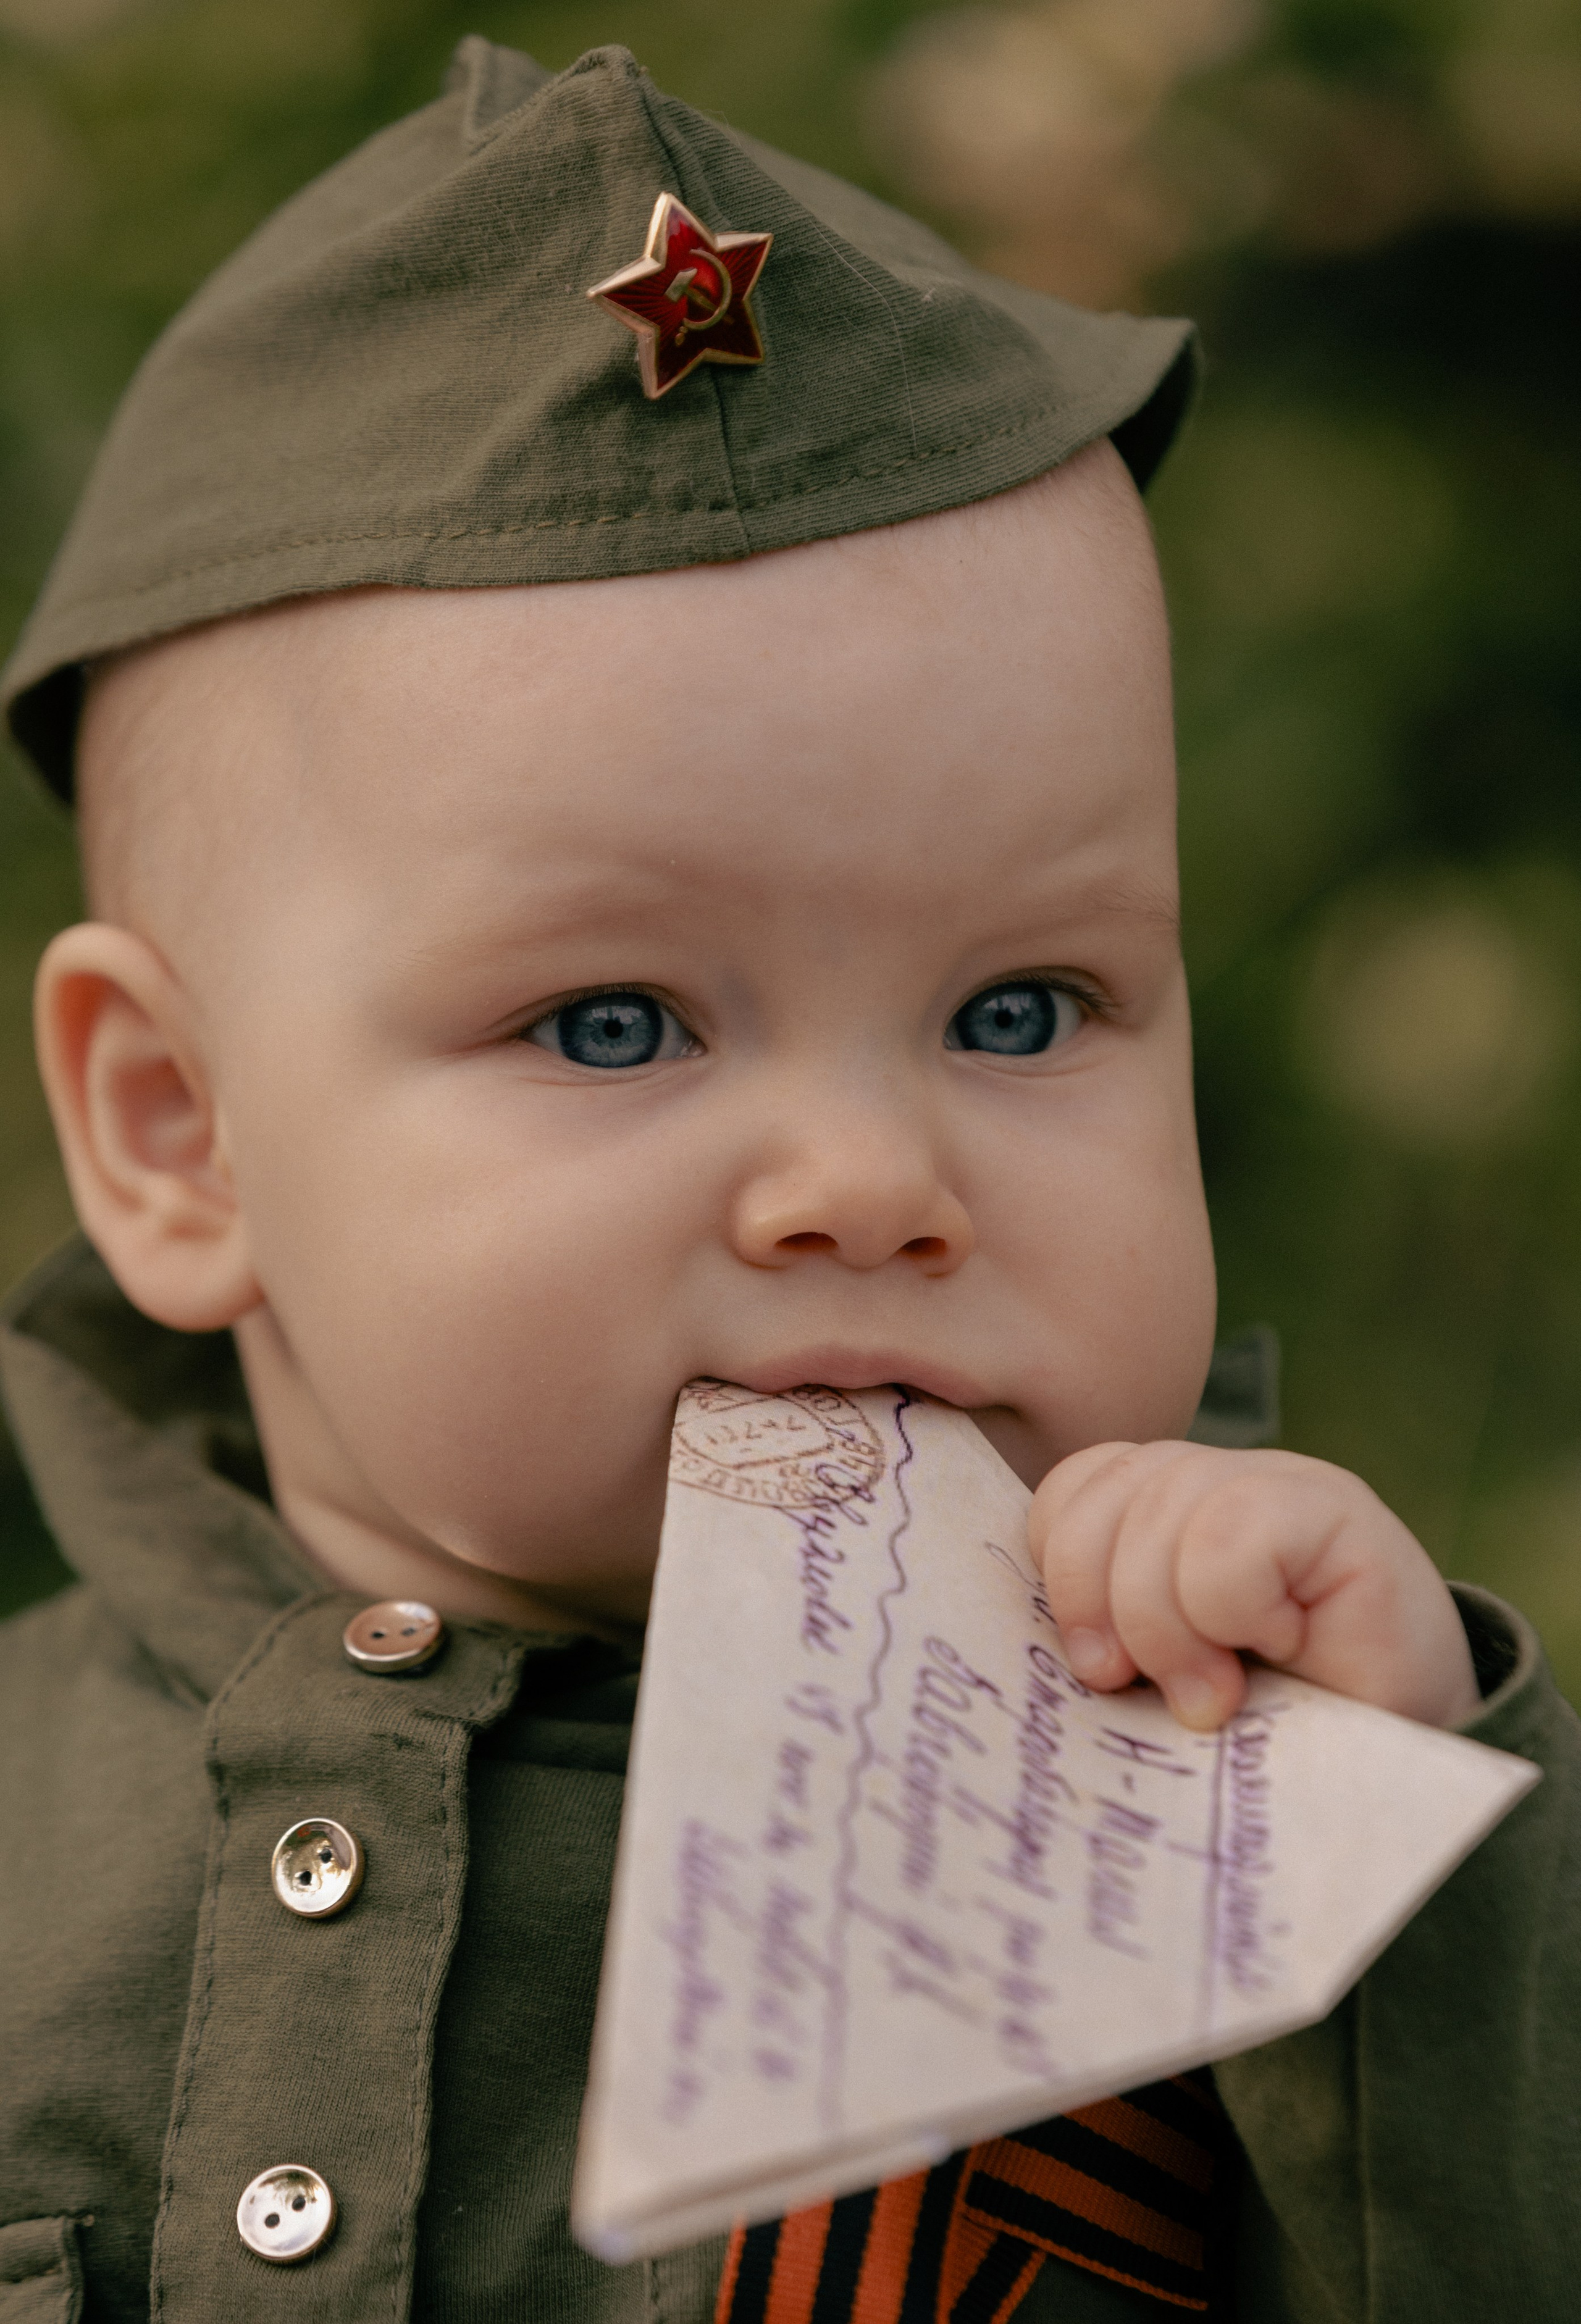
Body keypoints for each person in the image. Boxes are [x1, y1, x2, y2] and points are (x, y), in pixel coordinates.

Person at [0, 35, 1575, 2324]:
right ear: (179, 1132)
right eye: (615, 1024)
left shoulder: (1227, 1789)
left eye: (1022, 1010)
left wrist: (1397, 1853)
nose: (868, 1181)